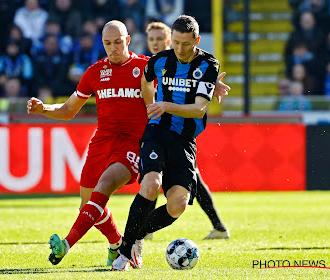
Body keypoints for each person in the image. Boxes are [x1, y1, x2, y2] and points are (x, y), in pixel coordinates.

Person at [28, 20, 229, 268]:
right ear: (102, 44)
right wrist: (43, 109)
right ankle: (118, 243)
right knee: (89, 205)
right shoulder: (94, 72)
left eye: (118, 42)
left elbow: (181, 75)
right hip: (103, 142)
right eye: (108, 43)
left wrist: (210, 85)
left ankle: (76, 244)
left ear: (128, 40)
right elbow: (69, 110)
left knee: (115, 186)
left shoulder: (143, 64)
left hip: (136, 142)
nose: (113, 47)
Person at [112, 15, 225, 271]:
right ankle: (125, 251)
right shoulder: (160, 60)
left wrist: (166, 105)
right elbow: (145, 80)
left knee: (177, 205)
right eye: (175, 43)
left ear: (196, 40)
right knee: (151, 184)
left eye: (186, 44)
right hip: (157, 132)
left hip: (185, 140)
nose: (180, 49)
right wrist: (150, 107)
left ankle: (135, 236)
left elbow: (198, 109)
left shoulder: (208, 63)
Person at [144, 21, 230, 240]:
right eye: (151, 39)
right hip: (157, 127)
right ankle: (146, 228)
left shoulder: (181, 59)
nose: (155, 43)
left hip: (181, 133)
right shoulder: (149, 63)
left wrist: (209, 85)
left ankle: (145, 227)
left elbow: (197, 89)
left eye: (159, 40)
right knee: (154, 174)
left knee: (192, 180)